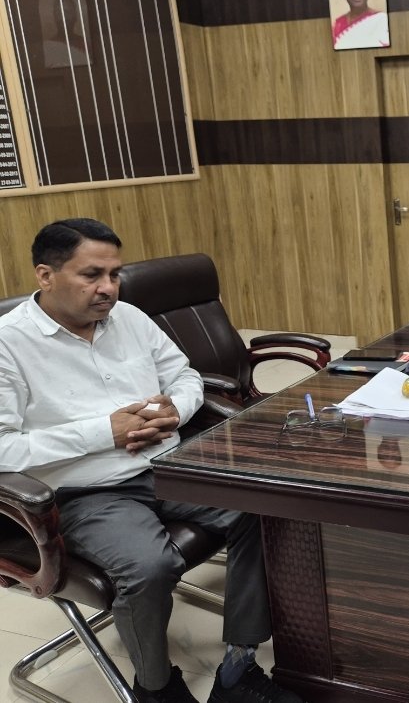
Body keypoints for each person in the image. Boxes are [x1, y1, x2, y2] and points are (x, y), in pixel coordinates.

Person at [0, 218, 303, 703]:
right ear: (45, 275)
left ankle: (238, 669)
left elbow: (185, 376)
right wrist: (105, 431)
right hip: (87, 492)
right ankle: (156, 689)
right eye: (91, 275)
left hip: (167, 465)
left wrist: (175, 410)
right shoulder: (8, 343)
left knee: (267, 508)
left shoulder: (129, 317)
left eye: (114, 274)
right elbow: (3, 447)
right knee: (148, 566)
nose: (108, 288)